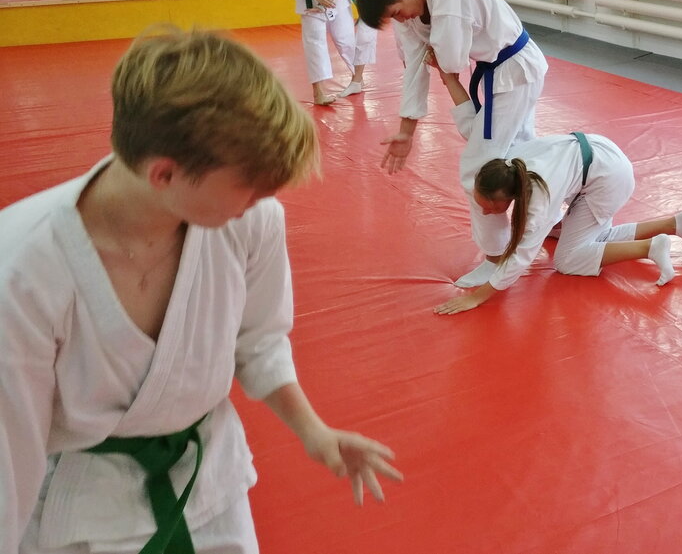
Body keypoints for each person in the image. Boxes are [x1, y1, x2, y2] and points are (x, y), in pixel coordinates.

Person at [0, 27, 402, 554]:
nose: (263, 198)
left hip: (210, 484)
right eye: (249, 184)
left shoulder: (251, 221)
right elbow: (9, 460)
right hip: (77, 515)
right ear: (164, 174)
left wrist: (314, 432)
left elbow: (259, 341)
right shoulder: (22, 273)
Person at [429, 63, 682, 314]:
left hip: (608, 179)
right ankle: (674, 224)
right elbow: (473, 127)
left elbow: (522, 256)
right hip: (602, 158)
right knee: (574, 233)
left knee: (568, 259)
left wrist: (478, 297)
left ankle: (649, 247)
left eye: (489, 207)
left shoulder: (539, 196)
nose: (486, 213)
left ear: (506, 196)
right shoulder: (508, 162)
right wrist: (449, 80)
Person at [355, 0, 548, 287]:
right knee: (520, 153)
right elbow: (415, 66)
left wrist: (440, 59)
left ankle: (496, 259)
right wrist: (406, 131)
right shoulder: (411, 7)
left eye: (397, 13)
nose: (401, 20)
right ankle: (545, 219)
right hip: (502, 72)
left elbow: (452, 61)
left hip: (514, 71)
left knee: (479, 167)